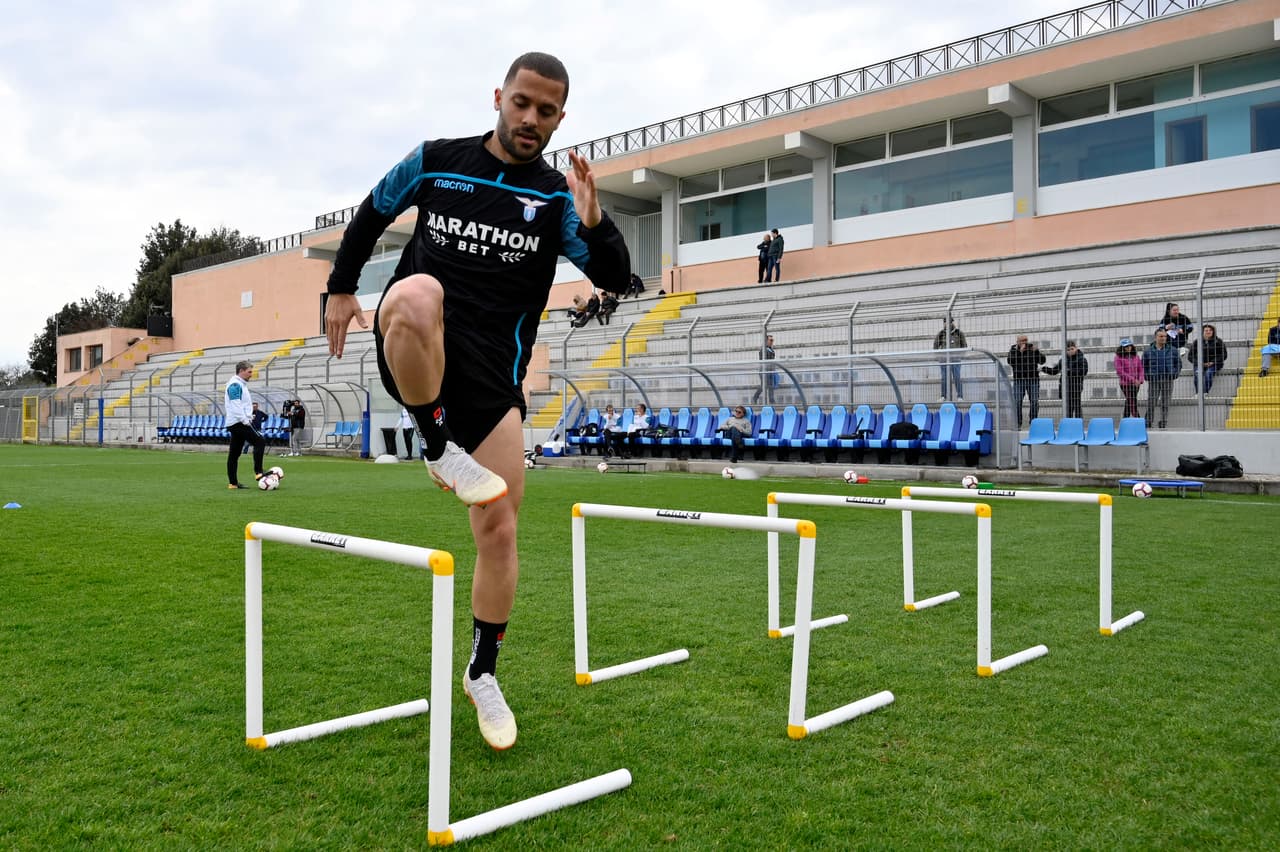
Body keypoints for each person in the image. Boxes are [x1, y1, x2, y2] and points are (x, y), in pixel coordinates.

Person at [322, 52, 631, 751]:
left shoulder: (555, 199)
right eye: (522, 102)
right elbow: (372, 212)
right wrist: (340, 287)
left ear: (560, 118)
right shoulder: (437, 160)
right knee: (414, 294)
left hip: (493, 381)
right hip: (419, 348)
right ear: (499, 96)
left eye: (546, 111)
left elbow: (614, 278)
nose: (530, 118)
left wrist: (596, 219)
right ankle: (435, 445)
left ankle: (482, 673)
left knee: (499, 529)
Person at [224, 360, 266, 489]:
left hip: (235, 422)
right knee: (260, 441)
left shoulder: (240, 384)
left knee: (234, 453)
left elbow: (241, 404)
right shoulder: (235, 384)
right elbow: (235, 404)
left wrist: (247, 416)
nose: (251, 374)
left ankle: (233, 483)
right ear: (241, 371)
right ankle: (259, 472)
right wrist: (244, 419)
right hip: (238, 422)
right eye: (249, 372)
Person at [1142, 328, 1180, 428]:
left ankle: (1163, 421)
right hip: (1154, 379)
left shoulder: (1173, 350)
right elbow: (1143, 365)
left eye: (1165, 336)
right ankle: (1148, 421)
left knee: (1165, 402)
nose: (1163, 338)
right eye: (1161, 336)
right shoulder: (1148, 351)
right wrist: (1147, 375)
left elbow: (1178, 364)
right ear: (1155, 337)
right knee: (1151, 401)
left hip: (1168, 379)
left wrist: (1174, 374)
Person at [1042, 341, 1089, 419]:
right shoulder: (1063, 360)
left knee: (1076, 406)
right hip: (1065, 387)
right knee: (1068, 408)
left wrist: (1068, 371)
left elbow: (1083, 371)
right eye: (1068, 349)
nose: (1070, 351)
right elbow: (1055, 371)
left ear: (1076, 348)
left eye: (1072, 349)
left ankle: (1079, 423)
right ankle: (1068, 423)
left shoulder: (1082, 359)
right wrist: (1044, 369)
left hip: (1076, 387)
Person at [1007, 334, 1045, 428]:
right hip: (1019, 380)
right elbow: (1010, 361)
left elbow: (1042, 361)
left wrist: (1037, 352)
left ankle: (1033, 422)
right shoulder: (1013, 350)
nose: (1025, 342)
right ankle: (1018, 423)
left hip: (1033, 380)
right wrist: (1019, 352)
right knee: (1017, 402)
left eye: (1026, 340)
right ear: (1018, 342)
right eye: (1022, 340)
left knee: (1034, 401)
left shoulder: (1031, 349)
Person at [1186, 324, 1227, 394]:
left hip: (1214, 364)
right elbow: (1190, 356)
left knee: (1208, 373)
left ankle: (1204, 393)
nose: (1208, 332)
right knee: (1197, 374)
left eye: (1210, 330)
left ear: (1213, 332)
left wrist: (1213, 362)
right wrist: (1199, 363)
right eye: (1206, 330)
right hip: (1199, 364)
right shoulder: (1197, 342)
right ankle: (1199, 394)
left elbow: (1224, 355)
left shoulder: (1218, 341)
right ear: (1202, 332)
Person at [932, 320, 967, 401]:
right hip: (944, 360)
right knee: (944, 378)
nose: (947, 323)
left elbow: (964, 345)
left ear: (952, 322)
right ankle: (943, 396)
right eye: (945, 322)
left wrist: (960, 356)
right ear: (944, 323)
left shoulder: (958, 333)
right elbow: (935, 345)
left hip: (955, 360)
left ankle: (960, 396)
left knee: (957, 377)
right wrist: (939, 357)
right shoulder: (941, 334)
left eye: (949, 322)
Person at [1114, 338, 1144, 419]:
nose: (1128, 348)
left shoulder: (1136, 357)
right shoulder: (1118, 357)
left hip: (1136, 384)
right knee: (1132, 401)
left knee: (1130, 401)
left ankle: (1125, 418)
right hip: (1125, 384)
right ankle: (1137, 418)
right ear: (1122, 347)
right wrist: (1133, 380)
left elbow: (1141, 369)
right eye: (1126, 346)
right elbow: (1120, 371)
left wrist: (1140, 379)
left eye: (1129, 346)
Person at [751, 334, 778, 405]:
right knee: (764, 385)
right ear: (766, 341)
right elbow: (763, 361)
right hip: (764, 371)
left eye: (772, 340)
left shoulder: (771, 350)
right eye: (771, 340)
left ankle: (771, 400)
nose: (772, 342)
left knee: (771, 385)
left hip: (770, 370)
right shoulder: (763, 350)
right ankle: (755, 398)